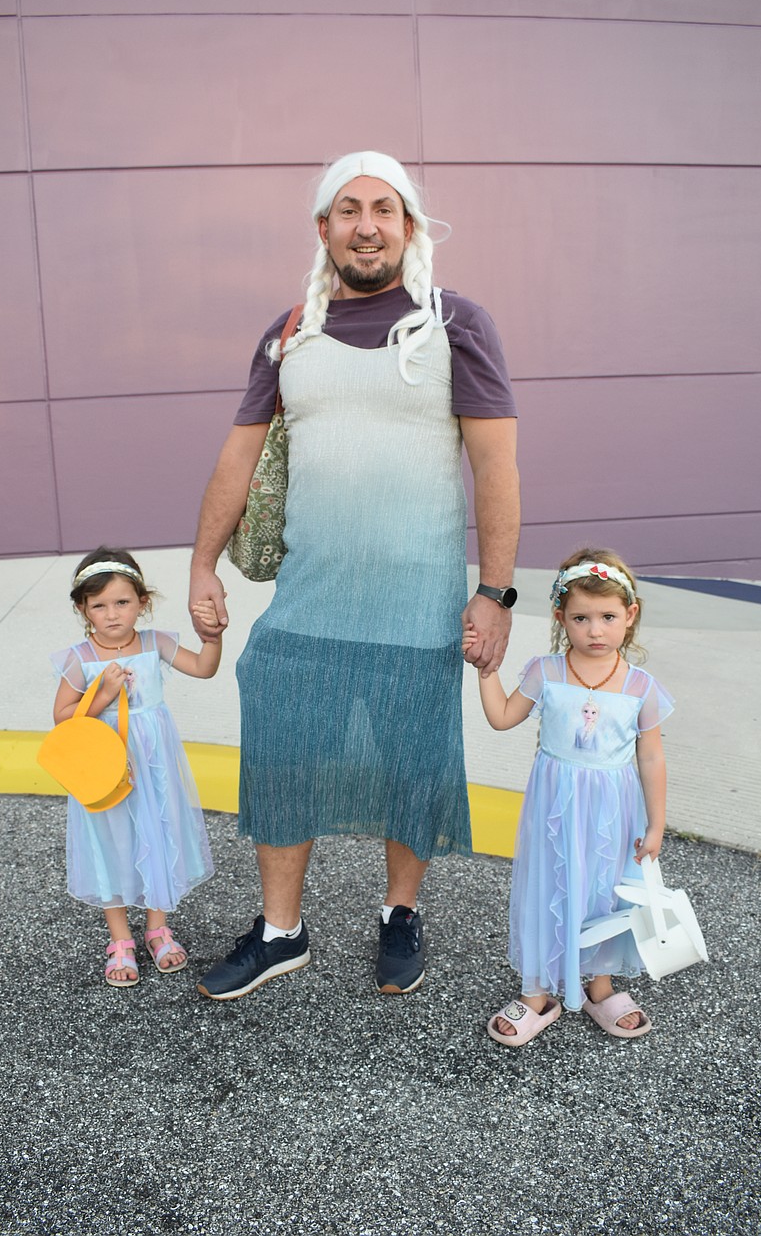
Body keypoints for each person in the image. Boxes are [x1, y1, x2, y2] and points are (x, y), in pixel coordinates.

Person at [189, 151, 519, 1000]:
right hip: (310, 601)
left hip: (418, 606)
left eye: (383, 209)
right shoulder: (288, 332)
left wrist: (495, 592)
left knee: (413, 763)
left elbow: (495, 465)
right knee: (282, 752)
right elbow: (238, 456)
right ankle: (281, 930)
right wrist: (200, 564)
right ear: (323, 227)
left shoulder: (456, 323)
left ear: (409, 226)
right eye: (348, 209)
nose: (366, 226)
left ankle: (399, 913)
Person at [462, 547, 673, 1046]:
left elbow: (651, 758)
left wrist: (657, 823)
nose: (595, 630)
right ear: (561, 617)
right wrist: (486, 670)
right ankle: (536, 991)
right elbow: (502, 717)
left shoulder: (640, 687)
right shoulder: (547, 673)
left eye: (607, 617)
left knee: (604, 890)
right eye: (581, 618)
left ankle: (599, 985)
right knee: (548, 883)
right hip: (553, 805)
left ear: (630, 615)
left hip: (612, 810)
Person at [52, 547, 222, 987]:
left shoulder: (154, 643)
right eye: (99, 605)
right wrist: (103, 695)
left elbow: (203, 668)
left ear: (142, 602)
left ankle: (157, 928)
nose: (112, 614)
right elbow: (63, 718)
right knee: (110, 840)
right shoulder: (80, 658)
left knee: (158, 830)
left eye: (122, 602)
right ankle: (120, 938)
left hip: (154, 765)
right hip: (104, 764)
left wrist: (213, 637)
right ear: (82, 609)